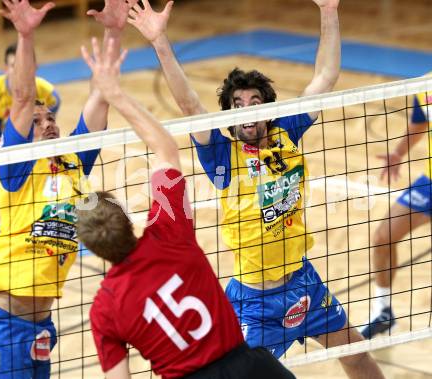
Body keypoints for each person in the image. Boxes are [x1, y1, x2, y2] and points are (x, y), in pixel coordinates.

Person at [127, 1, 385, 378]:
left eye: (254, 101)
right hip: (254, 302)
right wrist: (160, 41)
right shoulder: (220, 154)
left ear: (267, 108)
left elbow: (326, 77)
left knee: (357, 353)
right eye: (237, 104)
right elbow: (189, 104)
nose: (246, 110)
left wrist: (329, 10)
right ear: (229, 113)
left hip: (303, 282)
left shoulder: (287, 133)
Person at [77, 37, 297, 379]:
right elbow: (166, 148)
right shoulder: (168, 232)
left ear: (92, 249)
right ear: (127, 216)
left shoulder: (104, 309)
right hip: (248, 368)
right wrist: (113, 92)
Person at [0, 0, 132, 377]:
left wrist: (114, 32)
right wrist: (25, 35)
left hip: (40, 325)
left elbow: (101, 94)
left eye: (50, 116)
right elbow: (21, 97)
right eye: (36, 121)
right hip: (2, 324)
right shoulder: (16, 166)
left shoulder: (73, 162)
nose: (47, 122)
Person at [360, 73, 432, 339]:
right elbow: (418, 126)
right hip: (431, 183)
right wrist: (398, 154)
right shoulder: (426, 84)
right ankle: (384, 311)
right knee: (382, 237)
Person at [0, 43, 61, 226]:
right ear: (5, 69)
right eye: (15, 66)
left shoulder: (49, 94)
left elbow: (46, 131)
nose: (21, 72)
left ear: (35, 68)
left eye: (27, 66)